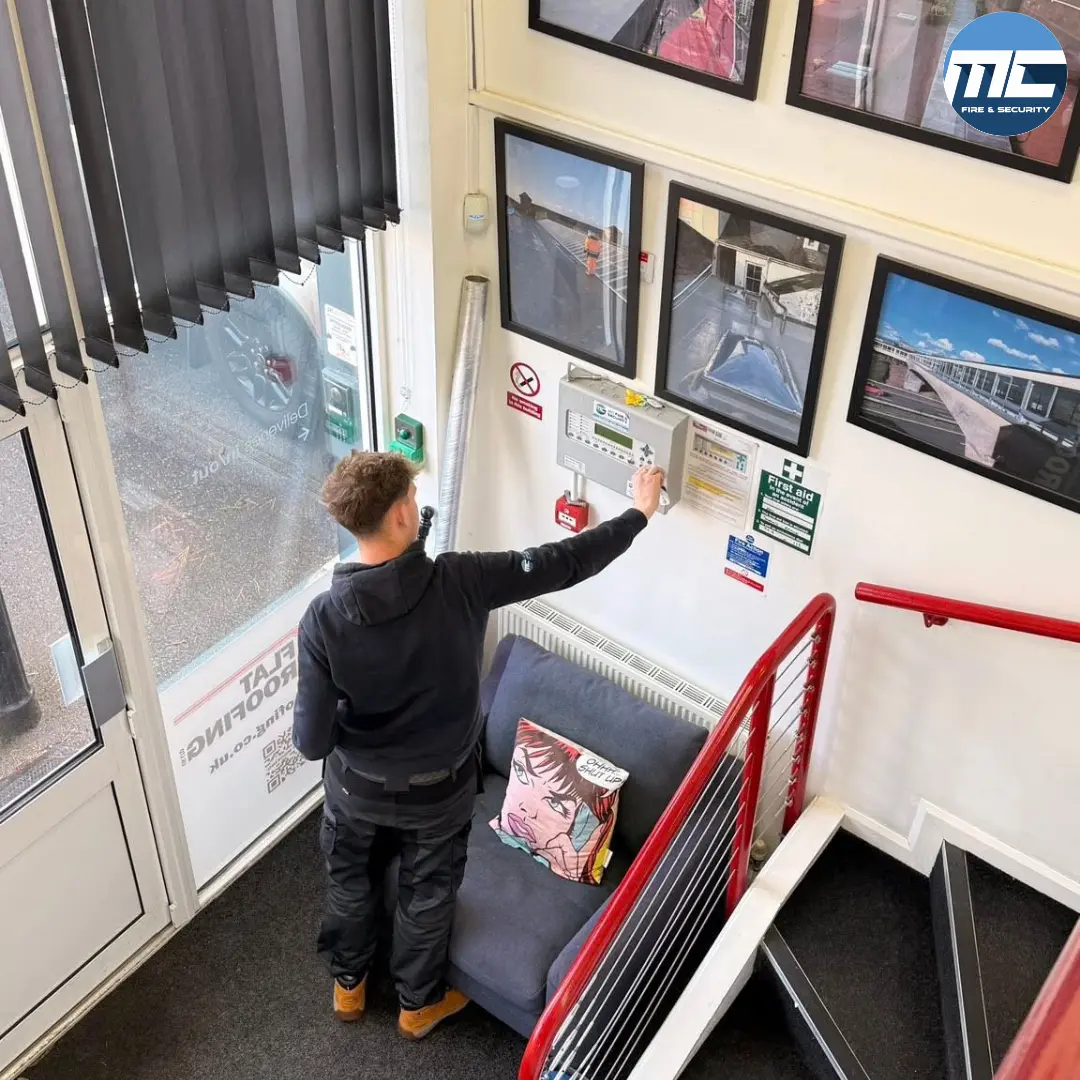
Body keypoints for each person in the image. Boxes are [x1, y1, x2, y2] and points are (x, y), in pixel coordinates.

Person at [292, 451, 665, 1040]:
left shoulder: (322, 619)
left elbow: (311, 742)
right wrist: (638, 513)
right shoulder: (462, 581)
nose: (418, 507)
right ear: (396, 517)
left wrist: (354, 716)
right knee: (427, 892)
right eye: (412, 500)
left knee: (350, 878)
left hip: (354, 789)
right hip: (437, 793)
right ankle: (417, 1007)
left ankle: (349, 985)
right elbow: (564, 562)